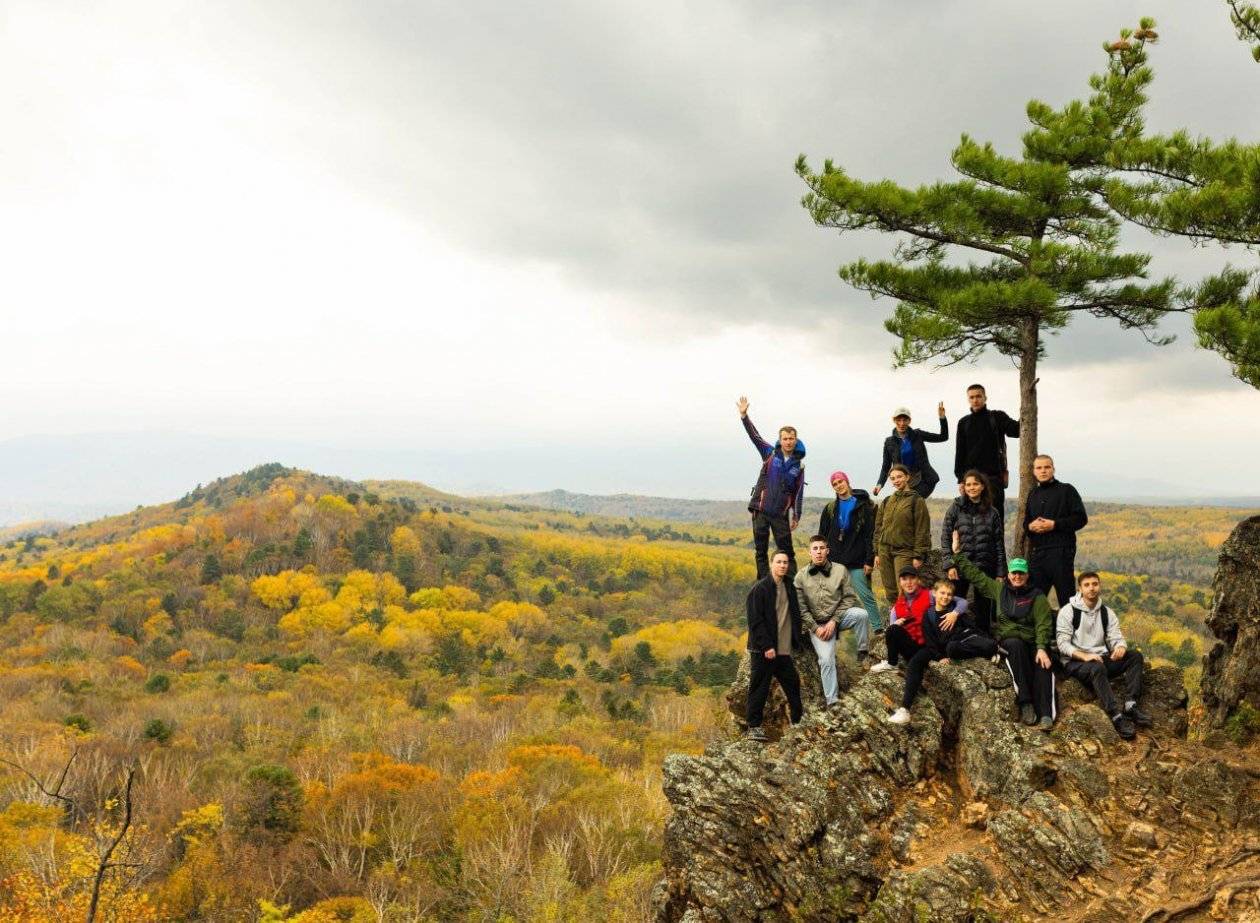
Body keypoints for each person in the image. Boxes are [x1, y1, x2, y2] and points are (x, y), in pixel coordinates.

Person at [952, 532, 1057, 731]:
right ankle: (1025, 703)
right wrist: (957, 555)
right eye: (1014, 573)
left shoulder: (1037, 597)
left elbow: (1043, 624)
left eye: (1021, 573)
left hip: (1034, 641)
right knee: (1014, 646)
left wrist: (1042, 647)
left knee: (1043, 663)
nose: (1017, 576)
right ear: (1008, 574)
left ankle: (1045, 714)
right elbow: (977, 576)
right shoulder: (1000, 590)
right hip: (1011, 641)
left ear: (1027, 575)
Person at [1056, 572, 1152, 740]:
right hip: (1074, 662)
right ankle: (1115, 715)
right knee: (1097, 667)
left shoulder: (1107, 612)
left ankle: (1130, 705)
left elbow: (1116, 637)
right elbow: (1062, 644)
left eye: (1095, 584)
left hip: (1100, 658)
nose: (1091, 588)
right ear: (1080, 588)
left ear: (1099, 586)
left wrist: (1120, 647)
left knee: (1135, 656)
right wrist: (1084, 656)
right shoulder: (1068, 612)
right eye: (1087, 585)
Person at [795, 536, 872, 709]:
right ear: (810, 552)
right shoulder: (800, 577)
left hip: (837, 618)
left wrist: (834, 621)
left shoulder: (840, 570)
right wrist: (815, 628)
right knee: (826, 660)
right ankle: (832, 701)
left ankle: (862, 652)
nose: (819, 552)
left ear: (827, 551)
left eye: (822, 548)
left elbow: (849, 597)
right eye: (815, 548)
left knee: (861, 615)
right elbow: (800, 609)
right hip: (817, 625)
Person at [737, 396, 805, 580]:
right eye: (785, 438)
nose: (788, 442)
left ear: (795, 440)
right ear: (780, 440)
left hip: (780, 514)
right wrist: (744, 416)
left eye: (791, 438)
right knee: (761, 549)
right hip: (761, 509)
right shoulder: (769, 453)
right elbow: (754, 436)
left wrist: (796, 515)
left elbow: (798, 492)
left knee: (787, 551)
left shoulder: (798, 465)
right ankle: (764, 583)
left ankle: (792, 584)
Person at [745, 551, 805, 741]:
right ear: (771, 564)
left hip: (783, 649)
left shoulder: (789, 586)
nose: (782, 565)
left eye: (785, 562)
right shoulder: (760, 589)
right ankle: (753, 727)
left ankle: (798, 721)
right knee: (759, 687)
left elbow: (794, 614)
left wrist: (798, 639)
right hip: (764, 650)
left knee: (793, 683)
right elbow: (755, 621)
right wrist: (766, 646)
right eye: (779, 562)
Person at [941, 470, 1007, 635]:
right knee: (954, 604)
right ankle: (953, 638)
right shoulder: (956, 509)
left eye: (976, 484)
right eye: (968, 484)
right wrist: (949, 564)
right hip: (961, 565)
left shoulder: (993, 513)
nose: (972, 487)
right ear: (964, 486)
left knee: (984, 609)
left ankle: (983, 643)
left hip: (985, 566)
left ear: (983, 486)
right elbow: (945, 538)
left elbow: (999, 543)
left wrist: (1000, 571)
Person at [818, 471, 880, 633]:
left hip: (857, 560)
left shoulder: (864, 506)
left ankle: (879, 629)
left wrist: (869, 560)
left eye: (840, 481)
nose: (839, 485)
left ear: (847, 481)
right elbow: (821, 536)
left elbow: (870, 535)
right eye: (835, 484)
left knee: (866, 596)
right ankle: (827, 630)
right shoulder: (830, 509)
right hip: (834, 562)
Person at [1024, 455, 1088, 609]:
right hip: (1038, 554)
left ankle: (1071, 632)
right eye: (1039, 468)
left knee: (1067, 601)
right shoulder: (1033, 494)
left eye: (1047, 467)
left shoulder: (1067, 490)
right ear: (1034, 471)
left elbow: (1081, 519)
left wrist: (1055, 525)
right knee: (1033, 602)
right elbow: (1026, 522)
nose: (1043, 471)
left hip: (1061, 552)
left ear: (1053, 469)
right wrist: (1030, 527)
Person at [953, 384, 1019, 519]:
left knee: (995, 520)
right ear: (968, 399)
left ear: (985, 397)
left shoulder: (997, 417)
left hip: (993, 479)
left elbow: (1016, 431)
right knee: (971, 522)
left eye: (978, 396)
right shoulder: (963, 423)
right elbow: (960, 453)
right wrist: (961, 480)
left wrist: (1025, 410)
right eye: (971, 397)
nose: (975, 400)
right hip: (971, 481)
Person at [873, 465, 931, 606]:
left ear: (907, 477)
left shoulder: (916, 500)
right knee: (890, 590)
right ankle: (896, 621)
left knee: (904, 590)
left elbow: (922, 530)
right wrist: (876, 552)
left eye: (899, 477)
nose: (896, 480)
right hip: (884, 550)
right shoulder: (887, 501)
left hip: (904, 551)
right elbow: (878, 528)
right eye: (892, 478)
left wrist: (918, 555)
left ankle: (909, 624)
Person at [874, 403, 949, 499]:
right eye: (899, 420)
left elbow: (943, 437)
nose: (902, 423)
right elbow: (886, 467)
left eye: (905, 420)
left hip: (923, 481)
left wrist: (942, 417)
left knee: (911, 504)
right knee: (907, 509)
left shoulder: (917, 435)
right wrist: (879, 484)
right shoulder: (889, 442)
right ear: (894, 420)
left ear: (909, 421)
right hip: (903, 482)